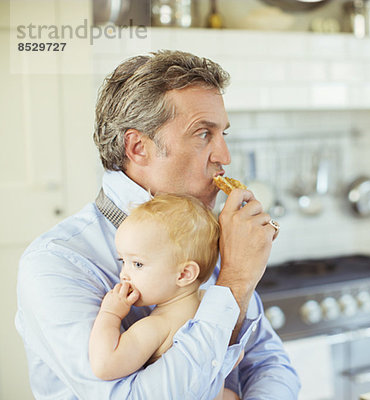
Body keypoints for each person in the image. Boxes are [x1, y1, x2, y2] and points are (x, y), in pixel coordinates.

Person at [15, 50, 299, 399]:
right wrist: (235, 283)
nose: (224, 156)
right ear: (138, 147)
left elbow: (269, 362)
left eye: (222, 133)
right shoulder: (56, 263)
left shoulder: (210, 234)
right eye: (202, 134)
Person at [89, 193, 240, 400]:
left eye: (138, 264)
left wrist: (110, 314)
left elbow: (104, 366)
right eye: (122, 260)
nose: (124, 273)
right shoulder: (210, 306)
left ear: (184, 274)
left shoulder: (156, 326)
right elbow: (236, 354)